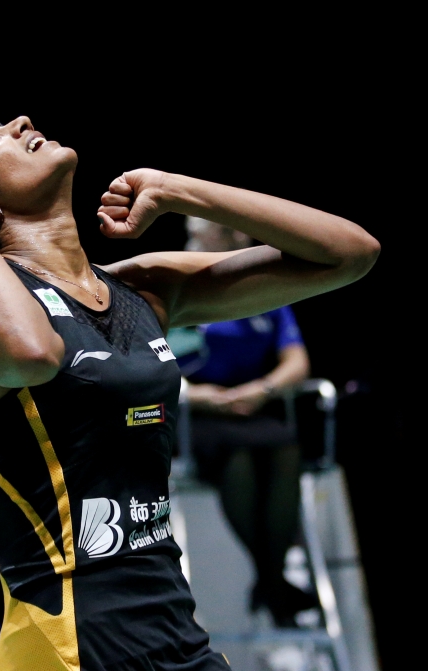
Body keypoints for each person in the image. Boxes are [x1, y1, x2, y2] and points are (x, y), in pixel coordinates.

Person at [0, 116, 380, 670]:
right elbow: (33, 354)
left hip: (170, 626)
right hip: (69, 640)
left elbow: (349, 254)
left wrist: (178, 191)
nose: (20, 122)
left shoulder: (141, 290)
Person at [180, 216, 317, 627]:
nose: (191, 243)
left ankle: (268, 581)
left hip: (252, 404)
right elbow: (152, 361)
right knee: (237, 459)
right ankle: (274, 583)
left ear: (232, 237)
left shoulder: (265, 293)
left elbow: (297, 362)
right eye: (189, 236)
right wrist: (198, 396)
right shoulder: (176, 288)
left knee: (286, 449)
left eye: (200, 235)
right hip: (198, 414)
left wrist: (265, 390)